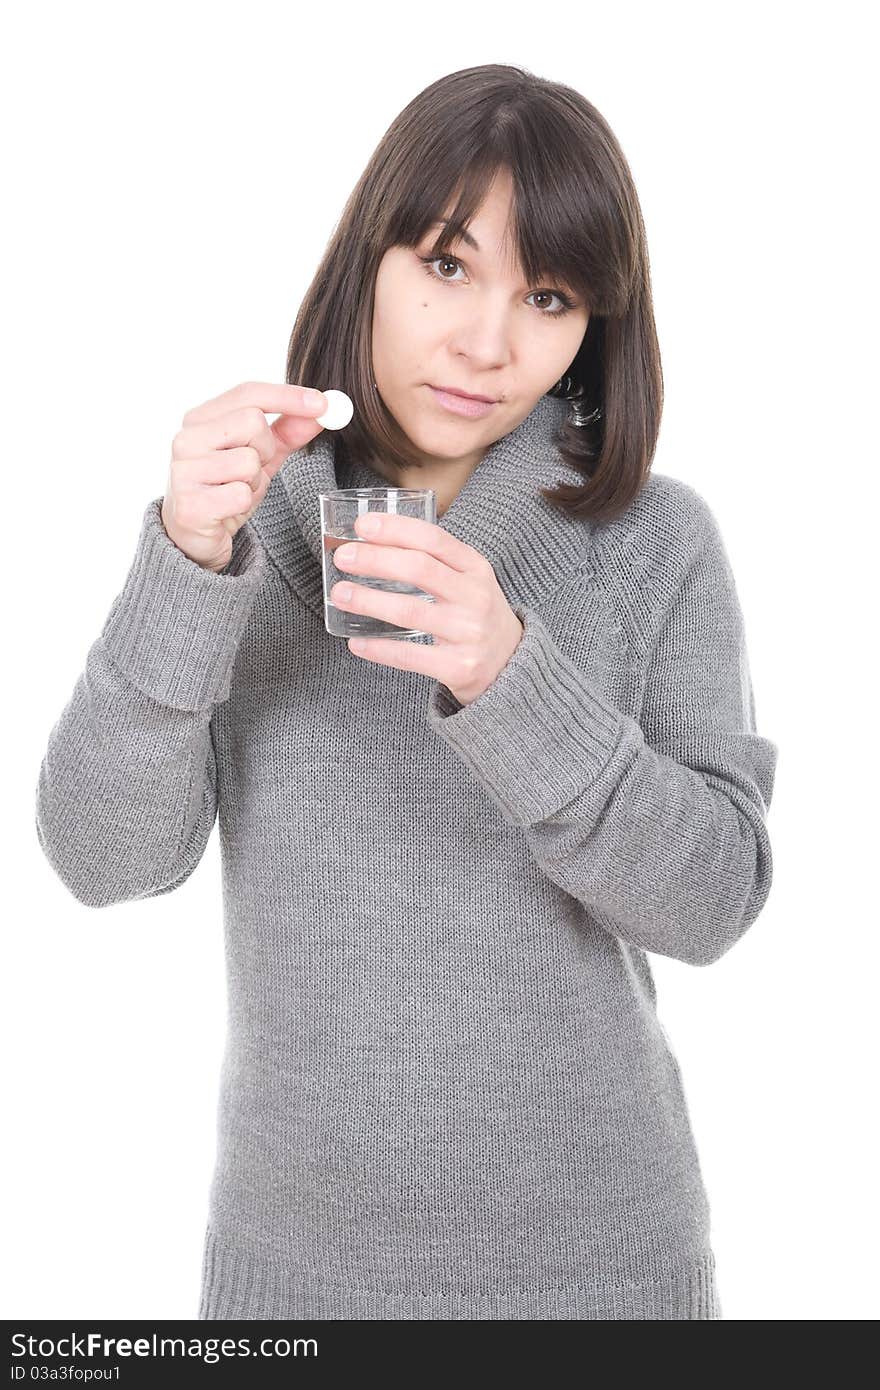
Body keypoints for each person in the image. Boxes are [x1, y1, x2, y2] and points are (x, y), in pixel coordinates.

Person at [35, 64, 779, 1320]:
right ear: (366, 262)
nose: (487, 343)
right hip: (295, 1285)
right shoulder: (257, 523)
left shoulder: (652, 537)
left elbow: (712, 902)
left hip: (604, 1277)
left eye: (546, 296)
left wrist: (510, 676)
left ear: (592, 324)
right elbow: (102, 857)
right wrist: (180, 564)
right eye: (446, 265)